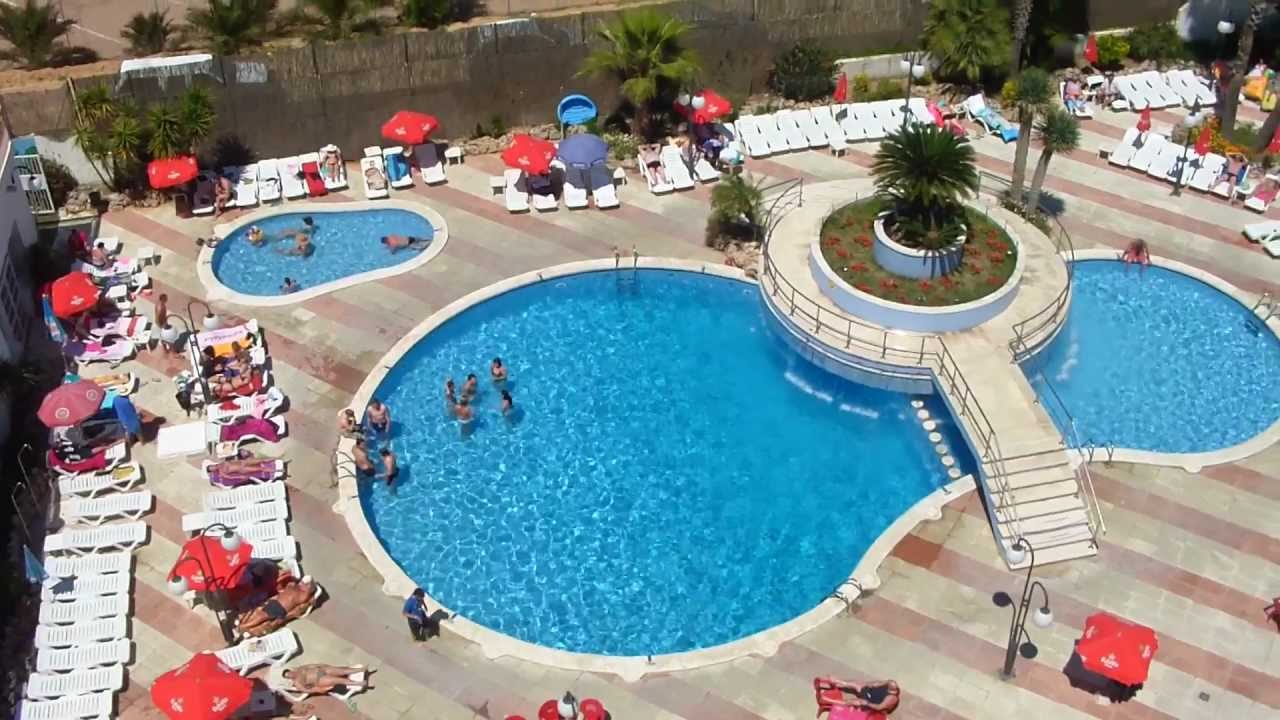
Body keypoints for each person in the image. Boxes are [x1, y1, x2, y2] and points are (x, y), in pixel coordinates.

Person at [236, 576, 320, 638]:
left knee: (262, 616)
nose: (302, 584)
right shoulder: (294, 586)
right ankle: (244, 625)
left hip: (280, 608)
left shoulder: (304, 595)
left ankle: (243, 626)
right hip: (276, 603)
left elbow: (304, 606)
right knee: (259, 613)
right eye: (302, 582)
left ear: (309, 588)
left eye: (305, 584)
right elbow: (284, 588)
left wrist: (288, 616)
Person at [274, 664, 371, 697]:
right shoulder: (297, 683)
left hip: (321, 671)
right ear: (289, 678)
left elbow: (312, 665)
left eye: (289, 673)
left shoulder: (300, 669)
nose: (290, 675)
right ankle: (359, 683)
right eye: (288, 676)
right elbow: (308, 690)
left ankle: (360, 669)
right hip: (319, 679)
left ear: (290, 670)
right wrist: (320, 689)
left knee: (341, 671)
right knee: (337, 680)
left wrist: (322, 665)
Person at [822, 678, 901, 715]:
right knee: (856, 684)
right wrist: (872, 684)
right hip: (870, 692)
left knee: (855, 702)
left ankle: (828, 701)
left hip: (871, 702)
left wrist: (867, 704)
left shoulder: (892, 698)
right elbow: (879, 683)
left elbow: (879, 707)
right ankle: (837, 682)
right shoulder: (890, 683)